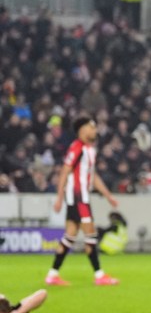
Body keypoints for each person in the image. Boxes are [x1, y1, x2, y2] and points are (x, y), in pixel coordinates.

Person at [46, 117, 121, 287]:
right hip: (78, 197)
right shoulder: (77, 148)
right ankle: (99, 275)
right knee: (91, 235)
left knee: (70, 236)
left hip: (81, 197)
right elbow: (64, 172)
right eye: (91, 127)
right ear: (83, 130)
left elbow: (92, 177)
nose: (95, 130)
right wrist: (59, 198)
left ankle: (52, 275)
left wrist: (108, 195)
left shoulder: (90, 150)